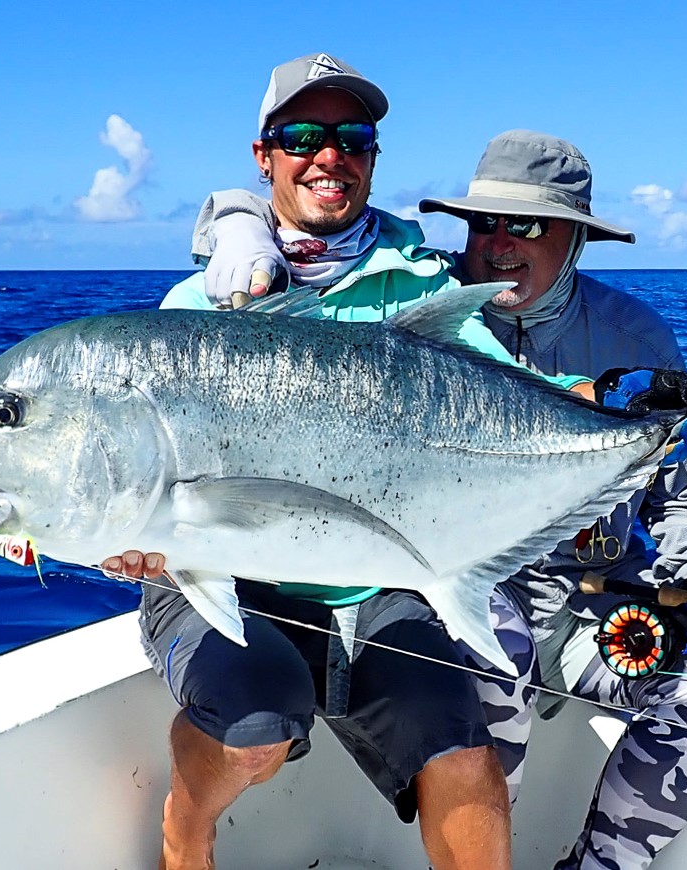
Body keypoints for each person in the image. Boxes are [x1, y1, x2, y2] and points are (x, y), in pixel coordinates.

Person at [194, 130, 687, 870]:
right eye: (482, 223)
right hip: (467, 581)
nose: (496, 244)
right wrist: (233, 220)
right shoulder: (429, 294)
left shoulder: (632, 334)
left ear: (577, 238)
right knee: (486, 650)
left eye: (526, 225)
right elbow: (315, 229)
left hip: (593, 603)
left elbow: (685, 489)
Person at [105, 55, 600, 870]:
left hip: (376, 578)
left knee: (461, 755)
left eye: (352, 137)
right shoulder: (198, 309)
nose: (327, 154)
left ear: (372, 158)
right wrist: (127, 538)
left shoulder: (414, 283)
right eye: (300, 136)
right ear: (262, 156)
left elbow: (498, 393)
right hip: (227, 578)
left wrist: (596, 411)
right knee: (251, 730)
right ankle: (183, 843)